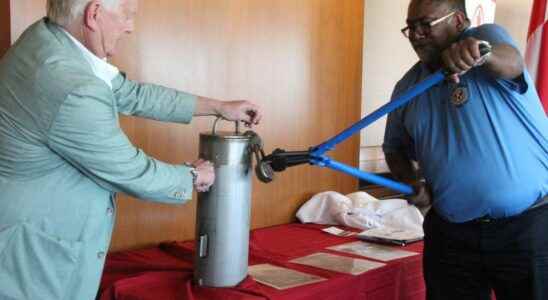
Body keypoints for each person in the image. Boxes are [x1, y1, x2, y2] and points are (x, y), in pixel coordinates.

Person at [0, 0, 262, 299]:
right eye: (127, 15)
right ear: (94, 14)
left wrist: (218, 107)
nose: (130, 27)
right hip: (34, 260)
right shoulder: (71, 85)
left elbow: (132, 95)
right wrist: (192, 177)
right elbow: (128, 169)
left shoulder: (48, 40)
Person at [383, 0, 548, 299]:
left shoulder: (489, 38)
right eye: (411, 28)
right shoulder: (407, 88)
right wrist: (410, 180)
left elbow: (511, 61)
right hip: (452, 235)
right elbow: (394, 149)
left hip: (528, 228)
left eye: (425, 25)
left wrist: (480, 53)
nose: (417, 35)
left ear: (459, 21)